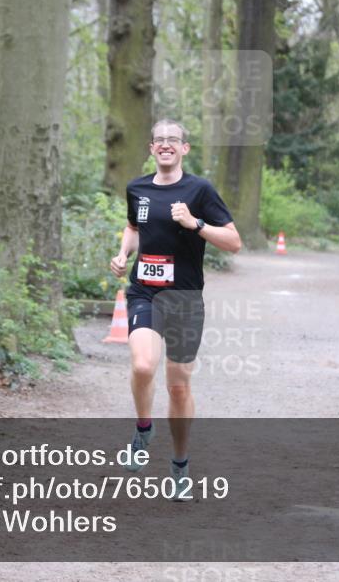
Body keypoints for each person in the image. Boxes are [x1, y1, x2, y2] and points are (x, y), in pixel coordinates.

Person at [109, 119, 241, 501]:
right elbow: (133, 226)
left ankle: (180, 466)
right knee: (142, 365)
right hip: (145, 293)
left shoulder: (200, 190)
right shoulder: (138, 188)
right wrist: (123, 253)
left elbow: (233, 242)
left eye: (173, 140)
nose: (166, 145)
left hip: (184, 299)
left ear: (184, 148)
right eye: (160, 140)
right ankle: (143, 429)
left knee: (178, 386)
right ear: (151, 148)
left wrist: (196, 223)